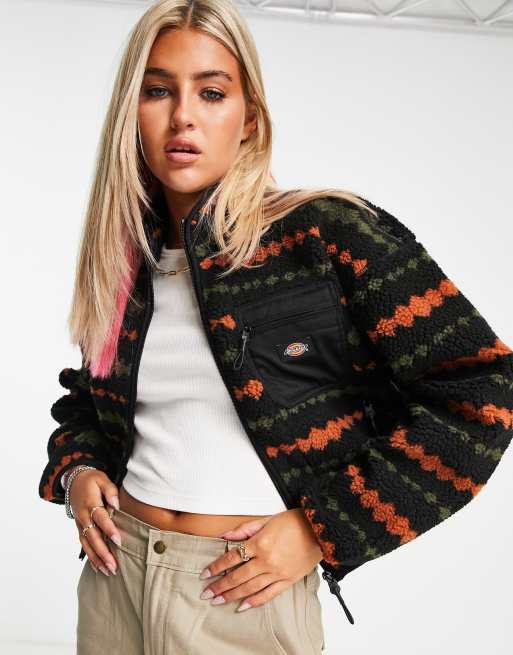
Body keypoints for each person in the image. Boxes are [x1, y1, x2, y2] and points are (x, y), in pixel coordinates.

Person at [38, 0, 513, 653]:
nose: (183, 116)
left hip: (239, 597)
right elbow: (88, 400)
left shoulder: (325, 234)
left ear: (249, 119)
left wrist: (322, 527)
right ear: (131, 112)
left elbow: (481, 392)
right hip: (114, 580)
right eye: (157, 90)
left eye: (211, 92)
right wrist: (79, 470)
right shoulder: (127, 264)